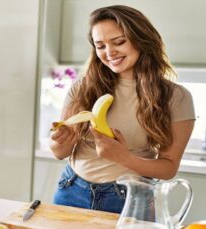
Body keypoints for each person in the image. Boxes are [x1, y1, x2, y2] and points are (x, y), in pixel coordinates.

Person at [50, 5, 195, 215]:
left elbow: (168, 168)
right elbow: (60, 152)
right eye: (100, 46)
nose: (109, 52)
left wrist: (123, 157)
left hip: (129, 198)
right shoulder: (84, 87)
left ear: (142, 39)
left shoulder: (175, 97)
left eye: (119, 42)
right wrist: (59, 142)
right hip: (71, 189)